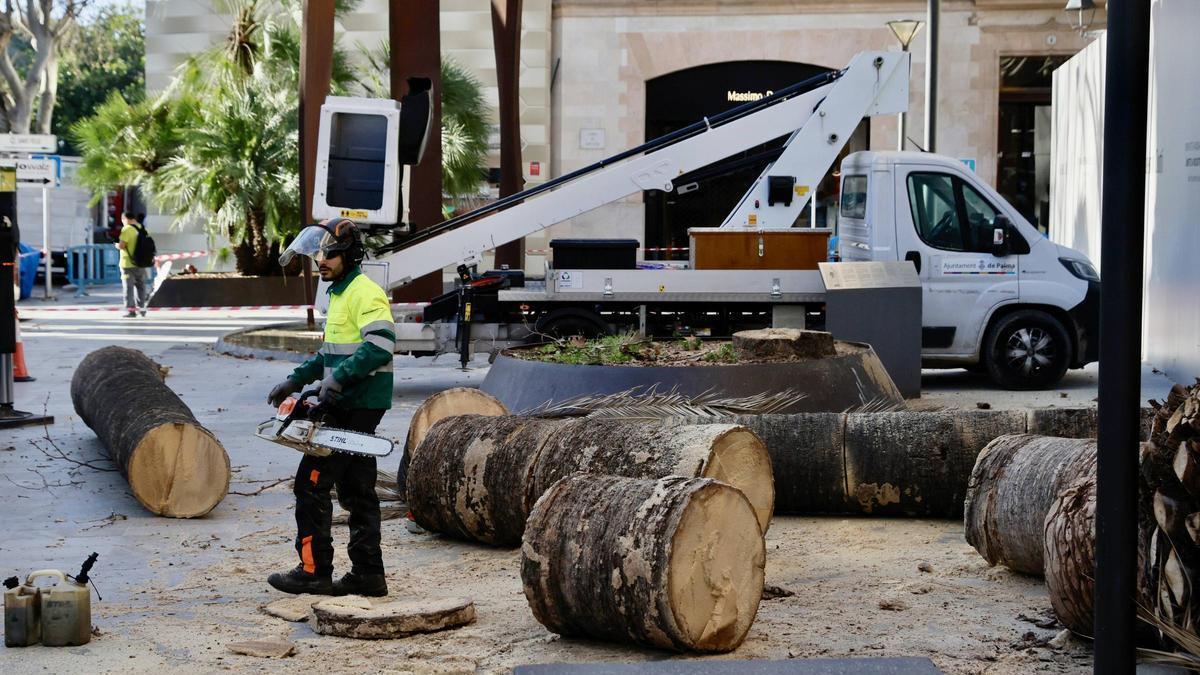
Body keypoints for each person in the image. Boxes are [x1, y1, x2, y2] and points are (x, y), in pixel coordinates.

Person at [266, 218, 396, 597]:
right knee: (357, 490)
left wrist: (338, 381)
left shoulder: (364, 292)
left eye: (329, 254)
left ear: (348, 254)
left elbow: (380, 345)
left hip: (355, 403)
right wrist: (297, 379)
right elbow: (330, 354)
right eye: (318, 255)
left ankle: (314, 570)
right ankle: (368, 574)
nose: (320, 261)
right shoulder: (340, 293)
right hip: (349, 401)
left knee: (311, 485)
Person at [116, 212, 150, 317]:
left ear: (125, 219)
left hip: (128, 264)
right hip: (141, 263)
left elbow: (122, 245)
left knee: (128, 287)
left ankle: (130, 311)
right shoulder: (143, 228)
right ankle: (142, 309)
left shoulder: (126, 229)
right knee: (141, 286)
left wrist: (116, 245)